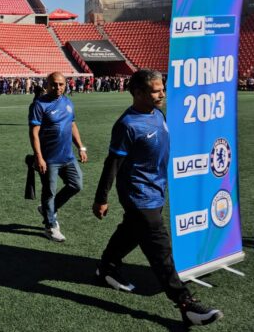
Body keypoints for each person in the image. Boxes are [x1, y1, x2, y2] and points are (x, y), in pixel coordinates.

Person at [92, 69, 222, 326]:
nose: (162, 92)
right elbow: (112, 164)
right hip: (139, 195)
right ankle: (185, 304)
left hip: (156, 190)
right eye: (155, 90)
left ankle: (107, 266)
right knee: (160, 249)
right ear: (138, 93)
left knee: (131, 230)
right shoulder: (127, 125)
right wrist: (101, 198)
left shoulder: (157, 113)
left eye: (162, 88)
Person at [28, 72, 87, 242]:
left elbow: (73, 124)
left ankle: (48, 209)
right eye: (54, 84)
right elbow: (34, 132)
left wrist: (81, 147)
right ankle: (50, 226)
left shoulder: (68, 102)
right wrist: (39, 157)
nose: (58, 87)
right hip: (49, 159)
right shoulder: (39, 105)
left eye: (61, 84)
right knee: (49, 193)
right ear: (47, 85)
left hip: (68, 156)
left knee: (76, 184)